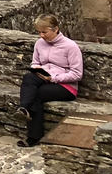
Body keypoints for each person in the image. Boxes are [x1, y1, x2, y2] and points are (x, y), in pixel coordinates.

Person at [17, 13, 83, 147]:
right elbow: (35, 62)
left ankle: (32, 135)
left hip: (65, 86)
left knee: (36, 95)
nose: (42, 35)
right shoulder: (39, 44)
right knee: (28, 77)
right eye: (39, 32)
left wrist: (53, 78)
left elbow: (77, 74)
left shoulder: (70, 46)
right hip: (43, 79)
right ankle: (24, 109)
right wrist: (37, 70)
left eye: (45, 32)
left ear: (56, 29)